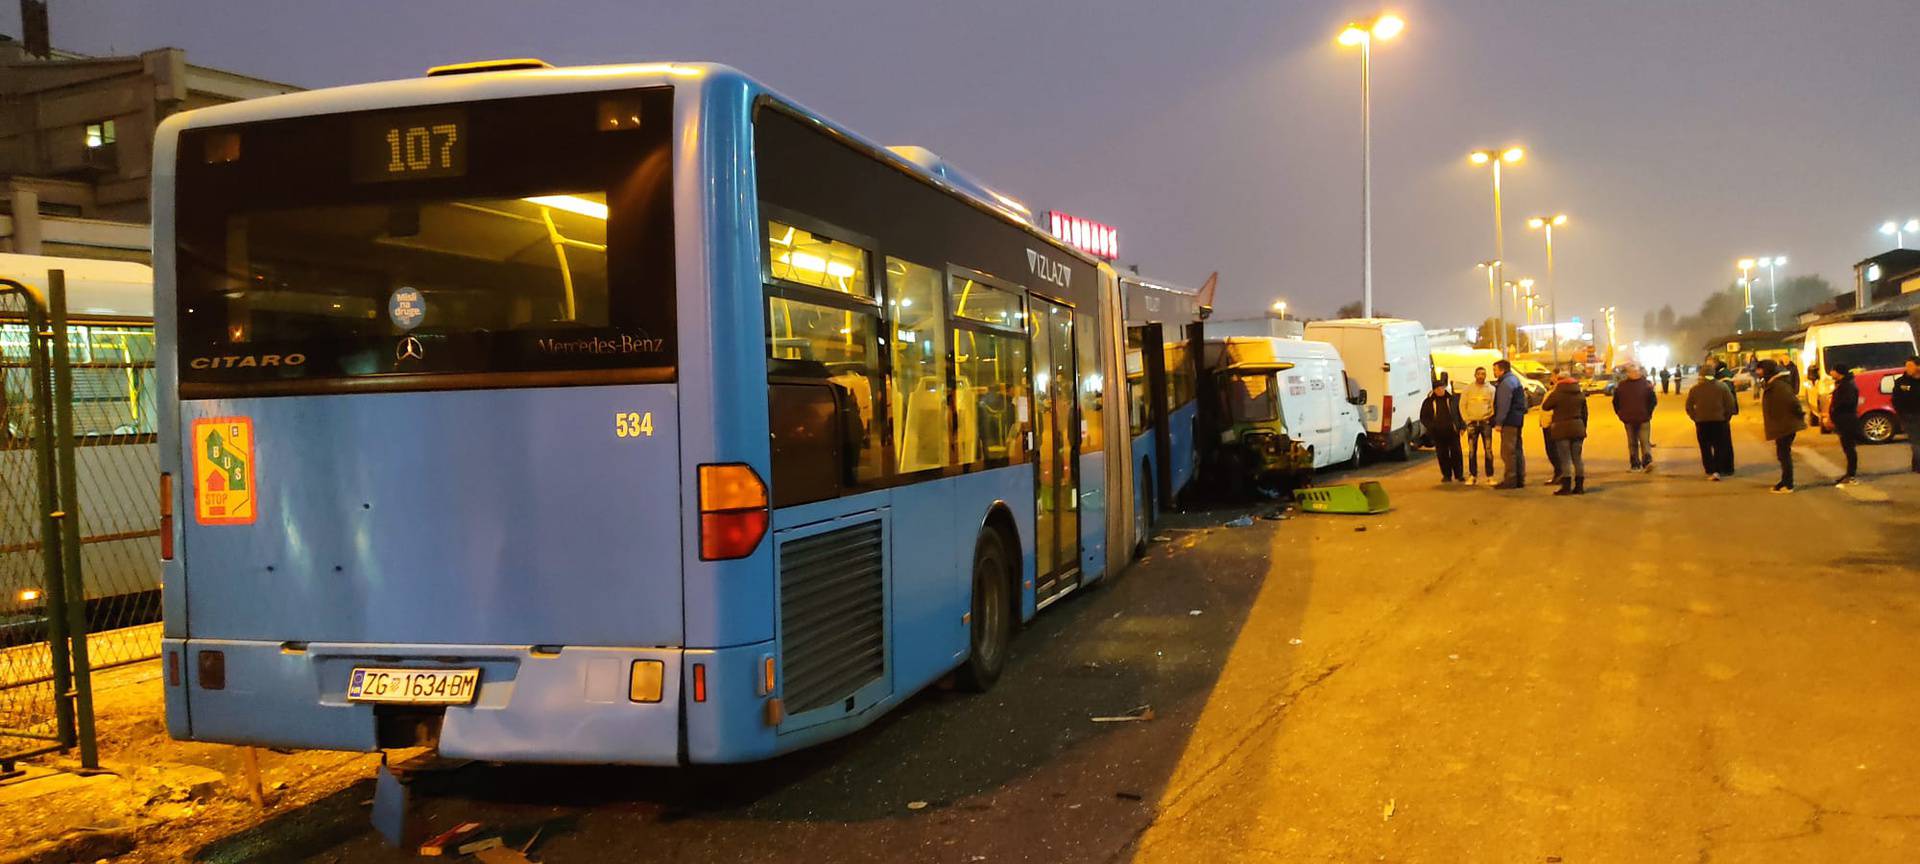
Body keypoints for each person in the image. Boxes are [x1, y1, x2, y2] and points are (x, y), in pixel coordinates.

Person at [1758, 358, 1804, 493]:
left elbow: (1793, 403)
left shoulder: (1779, 386)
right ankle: (1785, 481)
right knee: (1782, 454)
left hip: (1786, 424)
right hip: (1781, 423)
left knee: (1784, 455)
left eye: (1760, 369)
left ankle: (1788, 484)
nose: (1757, 372)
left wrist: (1798, 415)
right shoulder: (1773, 384)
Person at [1685, 365, 1738, 480]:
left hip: (1702, 423)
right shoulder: (1722, 387)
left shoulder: (1695, 389)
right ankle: (1719, 469)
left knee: (1705, 447)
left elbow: (1689, 406)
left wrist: (1695, 417)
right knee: (1720, 446)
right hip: (1719, 422)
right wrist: (1726, 417)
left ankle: (1709, 469)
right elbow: (1730, 404)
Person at [1540, 374, 1588, 495]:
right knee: (1577, 458)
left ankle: (1566, 486)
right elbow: (1585, 413)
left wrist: (1554, 390)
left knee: (1565, 458)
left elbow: (1546, 406)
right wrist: (1582, 427)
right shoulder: (1580, 394)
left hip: (1561, 428)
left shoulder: (1557, 393)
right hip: (1577, 427)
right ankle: (1579, 486)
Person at [1491, 359, 1529, 488]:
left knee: (1508, 451)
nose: (1494, 372)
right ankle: (1519, 478)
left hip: (1509, 421)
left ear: (1502, 370)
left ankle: (1510, 480)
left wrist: (1499, 422)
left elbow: (1503, 404)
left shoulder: (1505, 383)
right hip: (1517, 419)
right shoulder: (1514, 380)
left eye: (1495, 370)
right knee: (1517, 449)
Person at [1612, 364, 1657, 471]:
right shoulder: (1646, 385)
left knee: (1633, 442)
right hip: (1641, 417)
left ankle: (1636, 464)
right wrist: (1648, 413)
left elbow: (1615, 403)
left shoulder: (1622, 386)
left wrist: (1620, 414)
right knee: (1643, 441)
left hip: (1631, 418)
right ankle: (1645, 462)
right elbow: (1653, 401)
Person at [1420, 376, 1465, 483]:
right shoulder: (1428, 402)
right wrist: (1432, 427)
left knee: (1456, 453)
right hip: (1438, 433)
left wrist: (1462, 426)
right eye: (1437, 389)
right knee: (1442, 454)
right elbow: (1424, 417)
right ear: (1434, 390)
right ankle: (1446, 475)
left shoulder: (1453, 399)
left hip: (1452, 431)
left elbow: (1460, 413)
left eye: (1441, 388)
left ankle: (1459, 475)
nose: (1440, 390)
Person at [1459, 366, 1497, 485]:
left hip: (1485, 423)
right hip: (1472, 424)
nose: (1481, 376)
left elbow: (1494, 405)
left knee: (1488, 450)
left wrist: (1490, 417)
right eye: (1479, 374)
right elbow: (1462, 405)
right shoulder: (1468, 389)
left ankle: (1490, 476)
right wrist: (1466, 420)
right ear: (1475, 375)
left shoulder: (1491, 389)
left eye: (1483, 374)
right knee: (1471, 451)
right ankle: (1472, 475)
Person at [1826, 365, 1861, 486]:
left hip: (1847, 420)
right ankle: (1849, 474)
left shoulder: (1848, 386)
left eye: (1833, 370)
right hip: (1842, 420)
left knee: (1849, 448)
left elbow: (1848, 402)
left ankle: (1851, 475)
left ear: (1839, 372)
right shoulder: (1842, 384)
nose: (1831, 372)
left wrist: (1835, 408)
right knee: (1847, 448)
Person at [1894, 356, 1920, 474]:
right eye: (1906, 365)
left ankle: (1916, 465)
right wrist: (1902, 413)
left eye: (1910, 365)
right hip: (1909, 417)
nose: (1907, 368)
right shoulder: (1901, 382)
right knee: (1916, 442)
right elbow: (1896, 399)